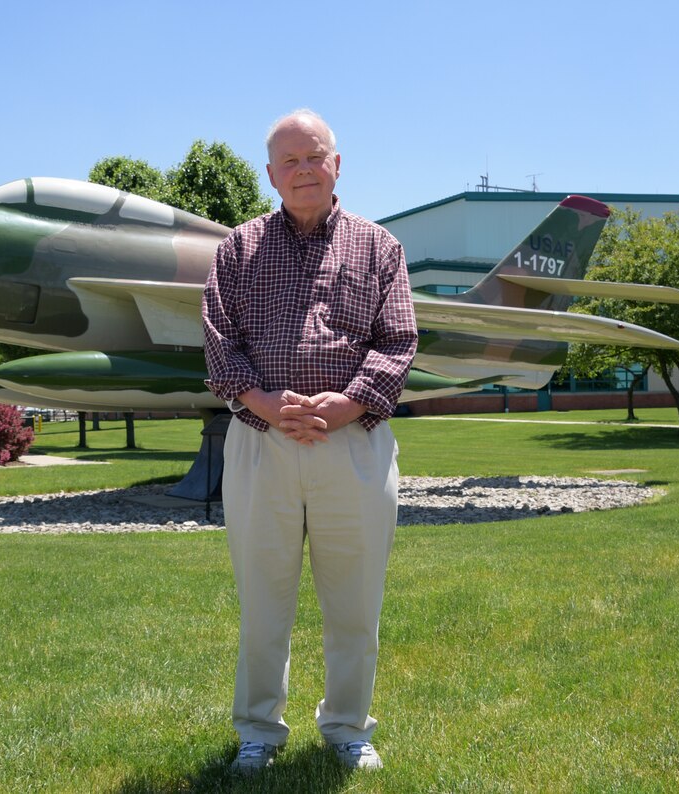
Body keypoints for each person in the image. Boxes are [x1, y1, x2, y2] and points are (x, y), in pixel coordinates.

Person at [202, 109, 418, 773]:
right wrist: (264, 402)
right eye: (288, 161)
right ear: (271, 174)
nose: (302, 170)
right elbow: (219, 338)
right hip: (260, 445)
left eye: (313, 156)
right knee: (264, 602)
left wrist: (349, 404)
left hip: (352, 444)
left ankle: (348, 726)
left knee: (354, 602)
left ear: (337, 163)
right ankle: (258, 733)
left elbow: (399, 340)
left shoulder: (379, 247)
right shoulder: (237, 249)